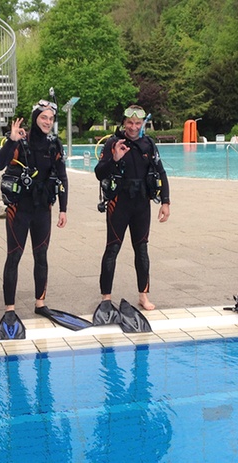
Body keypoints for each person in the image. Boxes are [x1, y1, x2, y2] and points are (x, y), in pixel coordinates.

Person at [0, 99, 70, 339]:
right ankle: (10, 310)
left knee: (41, 256)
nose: (47, 122)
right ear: (36, 117)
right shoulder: (19, 142)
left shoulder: (53, 145)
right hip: (19, 209)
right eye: (44, 117)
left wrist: (63, 209)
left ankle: (40, 303)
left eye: (51, 119)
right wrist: (11, 141)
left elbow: (63, 177)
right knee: (14, 256)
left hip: (42, 209)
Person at [94, 104, 170, 314]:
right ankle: (106, 297)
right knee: (112, 249)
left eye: (137, 123)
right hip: (119, 203)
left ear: (142, 123)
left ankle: (143, 296)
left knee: (142, 250)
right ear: (124, 123)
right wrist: (115, 159)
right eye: (130, 123)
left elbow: (161, 173)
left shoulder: (148, 144)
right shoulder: (113, 143)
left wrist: (166, 201)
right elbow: (99, 172)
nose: (134, 127)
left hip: (141, 204)